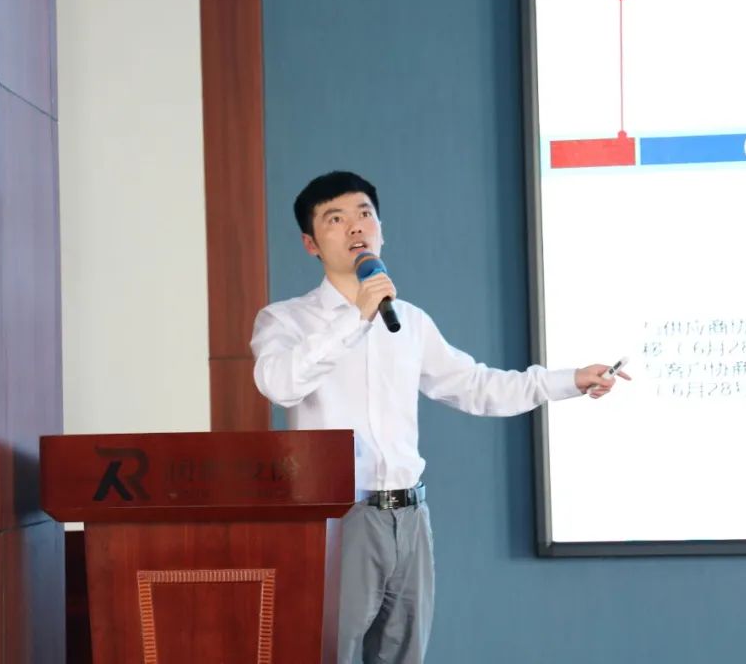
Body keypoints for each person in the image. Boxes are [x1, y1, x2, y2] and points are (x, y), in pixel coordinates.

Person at [250, 171, 628, 664]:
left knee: (405, 656)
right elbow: (278, 384)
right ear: (310, 244)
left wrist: (570, 380)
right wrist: (356, 317)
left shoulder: (410, 322)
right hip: (338, 520)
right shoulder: (285, 320)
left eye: (365, 214)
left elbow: (477, 387)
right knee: (327, 654)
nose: (356, 227)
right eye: (335, 219)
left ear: (381, 229)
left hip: (409, 518)